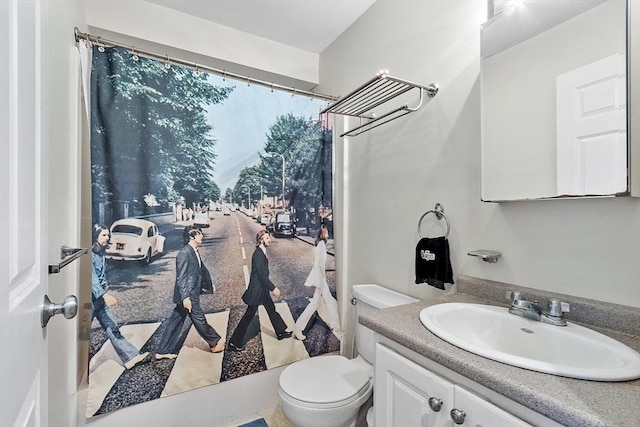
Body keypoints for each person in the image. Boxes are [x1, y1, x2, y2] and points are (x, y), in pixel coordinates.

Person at [156, 225, 224, 359]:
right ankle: (214, 341)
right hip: (188, 294)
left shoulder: (194, 250)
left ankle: (162, 351)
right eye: (199, 234)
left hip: (192, 291)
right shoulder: (184, 253)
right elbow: (181, 278)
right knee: (199, 318)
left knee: (176, 321)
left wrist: (210, 285)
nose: (202, 236)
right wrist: (185, 298)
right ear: (192, 237)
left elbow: (201, 270)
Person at [91, 223, 149, 369]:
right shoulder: (89, 255)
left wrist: (105, 287)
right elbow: (91, 279)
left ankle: (131, 357)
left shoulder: (100, 252)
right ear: (94, 236)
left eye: (108, 235)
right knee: (81, 335)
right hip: (89, 301)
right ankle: (74, 370)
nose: (107, 237)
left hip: (99, 300)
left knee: (112, 327)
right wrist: (104, 295)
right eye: (103, 235)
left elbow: (100, 276)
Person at [227, 230, 292, 351]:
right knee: (249, 316)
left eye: (269, 238)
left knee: (271, 309)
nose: (269, 240)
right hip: (257, 290)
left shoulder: (262, 252)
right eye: (267, 238)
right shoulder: (258, 254)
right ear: (261, 240)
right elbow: (262, 275)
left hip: (262, 290)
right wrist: (273, 288)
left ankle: (281, 332)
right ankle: (234, 342)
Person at [294, 224, 340, 338]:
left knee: (328, 300)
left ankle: (336, 324)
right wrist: (324, 276)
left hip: (319, 277)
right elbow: (320, 263)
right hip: (320, 278)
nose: (328, 234)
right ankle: (298, 327)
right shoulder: (322, 245)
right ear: (323, 234)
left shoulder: (318, 245)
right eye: (327, 232)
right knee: (316, 303)